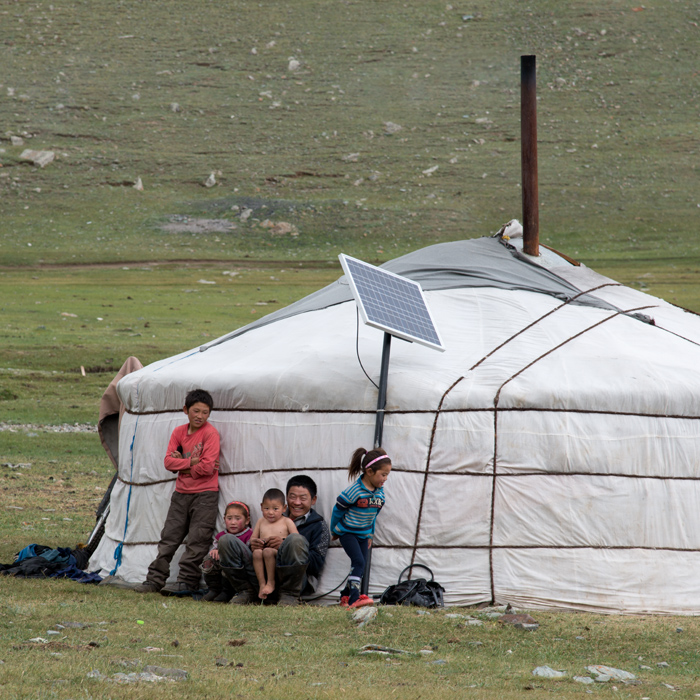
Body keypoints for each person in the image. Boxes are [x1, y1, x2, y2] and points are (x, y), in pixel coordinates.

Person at [134, 389, 220, 596]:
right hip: (181, 493)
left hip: (205, 494)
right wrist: (192, 462)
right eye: (196, 411)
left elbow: (208, 468)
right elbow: (167, 462)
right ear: (185, 410)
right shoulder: (179, 433)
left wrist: (180, 464)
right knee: (169, 538)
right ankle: (154, 580)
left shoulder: (210, 433)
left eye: (205, 412)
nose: (200, 416)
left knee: (198, 540)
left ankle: (186, 582)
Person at [218, 475, 330, 606]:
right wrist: (253, 544)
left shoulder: (318, 525)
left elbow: (316, 564)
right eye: (293, 497)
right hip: (259, 578)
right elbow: (251, 550)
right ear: (286, 499)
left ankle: (289, 595)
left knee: (295, 539)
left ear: (313, 499)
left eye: (303, 498)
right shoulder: (269, 516)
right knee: (226, 540)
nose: (297, 502)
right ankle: (245, 591)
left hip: (291, 582)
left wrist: (285, 546)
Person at [331, 447, 391, 609]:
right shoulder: (354, 491)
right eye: (383, 475)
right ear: (369, 471)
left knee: (361, 563)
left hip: (364, 534)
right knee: (358, 561)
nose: (385, 479)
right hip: (348, 532)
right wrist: (334, 530)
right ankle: (354, 599)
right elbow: (338, 510)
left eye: (387, 475)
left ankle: (345, 596)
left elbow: (373, 515)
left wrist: (370, 534)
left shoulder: (380, 493)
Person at [200, 501, 252, 602]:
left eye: (238, 519)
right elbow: (215, 549)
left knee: (228, 561)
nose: (233, 522)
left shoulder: (249, 535)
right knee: (209, 559)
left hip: (241, 567)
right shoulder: (220, 535)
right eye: (229, 518)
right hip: (223, 565)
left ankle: (233, 591)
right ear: (224, 519)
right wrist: (215, 550)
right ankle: (215, 590)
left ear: (247, 520)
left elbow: (248, 554)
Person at [251, 489, 298, 599]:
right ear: (261, 506)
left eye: (275, 509)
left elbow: (295, 538)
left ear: (284, 508)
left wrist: (282, 541)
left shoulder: (287, 521)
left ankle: (271, 582)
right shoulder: (261, 521)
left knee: (267, 551)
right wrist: (255, 542)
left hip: (279, 554)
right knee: (257, 553)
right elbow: (252, 538)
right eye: (266, 508)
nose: (270, 512)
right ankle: (262, 584)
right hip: (262, 551)